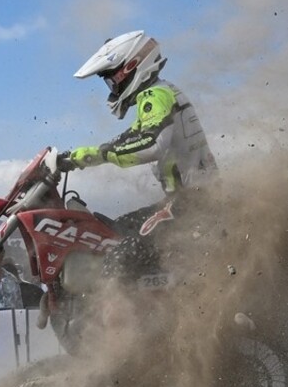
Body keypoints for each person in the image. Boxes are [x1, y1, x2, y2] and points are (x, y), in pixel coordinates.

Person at [57, 30, 218, 245]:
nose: (113, 87)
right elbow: (131, 137)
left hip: (193, 204)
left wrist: (99, 154)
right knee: (111, 231)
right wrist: (76, 158)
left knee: (121, 256)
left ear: (132, 67)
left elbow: (152, 144)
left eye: (113, 80)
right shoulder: (158, 93)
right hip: (184, 200)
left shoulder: (156, 95)